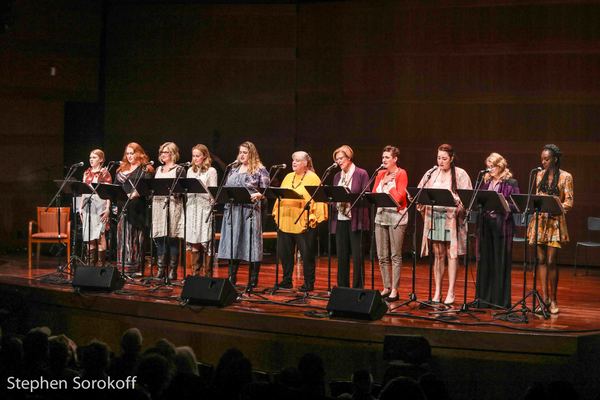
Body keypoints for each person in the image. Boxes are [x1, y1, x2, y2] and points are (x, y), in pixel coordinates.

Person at [418, 144, 472, 305]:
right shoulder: (432, 173)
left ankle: (451, 292)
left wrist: (459, 205)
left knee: (451, 254)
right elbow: (421, 192)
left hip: (451, 220)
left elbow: (467, 197)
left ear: (452, 158)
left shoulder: (460, 174)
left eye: (444, 158)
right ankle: (437, 291)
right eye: (438, 158)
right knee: (438, 254)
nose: (440, 161)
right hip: (435, 218)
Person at [527, 144, 573, 314]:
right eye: (542, 159)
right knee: (540, 260)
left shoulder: (566, 177)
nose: (543, 162)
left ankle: (554, 300)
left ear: (555, 159)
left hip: (554, 221)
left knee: (552, 260)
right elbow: (537, 197)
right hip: (539, 221)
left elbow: (569, 200)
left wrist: (556, 205)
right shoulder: (538, 175)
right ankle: (544, 298)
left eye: (546, 159)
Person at [272, 151, 328, 292]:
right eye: (293, 160)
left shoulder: (313, 178)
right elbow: (281, 197)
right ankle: (286, 281)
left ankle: (309, 283)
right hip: (286, 220)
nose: (294, 163)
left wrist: (313, 217)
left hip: (303, 222)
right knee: (285, 253)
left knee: (306, 255)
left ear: (306, 163)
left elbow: (319, 199)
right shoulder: (288, 176)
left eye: (297, 160)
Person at [217, 141, 270, 289]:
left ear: (252, 153)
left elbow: (266, 191)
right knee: (233, 243)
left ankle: (253, 280)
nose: (241, 155)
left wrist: (259, 195)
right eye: (240, 152)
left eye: (245, 152)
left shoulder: (260, 170)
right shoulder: (233, 169)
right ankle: (231, 278)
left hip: (250, 211)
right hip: (233, 211)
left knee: (252, 243)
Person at [476, 152, 520, 308]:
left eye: (492, 166)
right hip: (486, 227)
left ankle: (499, 302)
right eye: (488, 166)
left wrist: (504, 205)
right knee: (486, 261)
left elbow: (517, 205)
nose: (490, 169)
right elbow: (478, 200)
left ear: (500, 166)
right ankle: (484, 299)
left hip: (502, 228)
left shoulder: (510, 183)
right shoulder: (485, 181)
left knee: (500, 263)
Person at [372, 145, 408, 302]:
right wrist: (383, 182)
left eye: (387, 157)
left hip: (396, 216)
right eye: (383, 157)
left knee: (395, 255)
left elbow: (399, 198)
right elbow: (373, 194)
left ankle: (395, 289)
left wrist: (389, 187)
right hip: (381, 216)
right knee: (382, 255)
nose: (384, 160)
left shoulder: (401, 173)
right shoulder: (380, 174)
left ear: (395, 159)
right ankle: (386, 287)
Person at [331, 145, 370, 288]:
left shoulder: (361, 173)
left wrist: (349, 198)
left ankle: (358, 288)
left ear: (349, 158)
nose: (339, 162)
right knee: (342, 256)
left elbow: (366, 196)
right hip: (340, 219)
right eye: (337, 159)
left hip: (356, 220)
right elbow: (333, 197)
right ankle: (342, 287)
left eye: (341, 158)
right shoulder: (336, 176)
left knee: (357, 257)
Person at [115, 142, 154, 275]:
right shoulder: (121, 169)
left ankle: (136, 268)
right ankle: (123, 268)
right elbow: (115, 188)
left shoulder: (145, 169)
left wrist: (136, 193)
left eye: (132, 153)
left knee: (136, 238)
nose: (130, 156)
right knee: (123, 237)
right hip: (123, 207)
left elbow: (146, 188)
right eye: (128, 153)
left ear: (139, 153)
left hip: (138, 209)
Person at [152, 142, 185, 280]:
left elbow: (182, 190)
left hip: (172, 205)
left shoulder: (179, 169)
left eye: (165, 152)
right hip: (158, 205)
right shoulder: (158, 169)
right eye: (161, 152)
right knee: (160, 238)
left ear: (172, 153)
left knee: (172, 238)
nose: (162, 155)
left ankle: (172, 271)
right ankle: (160, 269)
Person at [186, 144, 218, 277]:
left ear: (204, 156)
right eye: (193, 156)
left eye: (198, 156)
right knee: (195, 241)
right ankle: (195, 275)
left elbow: (213, 192)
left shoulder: (211, 171)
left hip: (204, 209)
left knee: (205, 241)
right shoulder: (190, 171)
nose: (195, 158)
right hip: (192, 207)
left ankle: (207, 275)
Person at [80, 149, 112, 267]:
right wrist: (80, 208)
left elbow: (108, 193)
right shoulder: (87, 172)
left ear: (101, 160)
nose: (91, 160)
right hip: (88, 206)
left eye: (94, 157)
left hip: (100, 205)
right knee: (89, 236)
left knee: (100, 235)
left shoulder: (105, 173)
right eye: (90, 157)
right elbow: (83, 191)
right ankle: (90, 263)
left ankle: (100, 263)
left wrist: (108, 208)